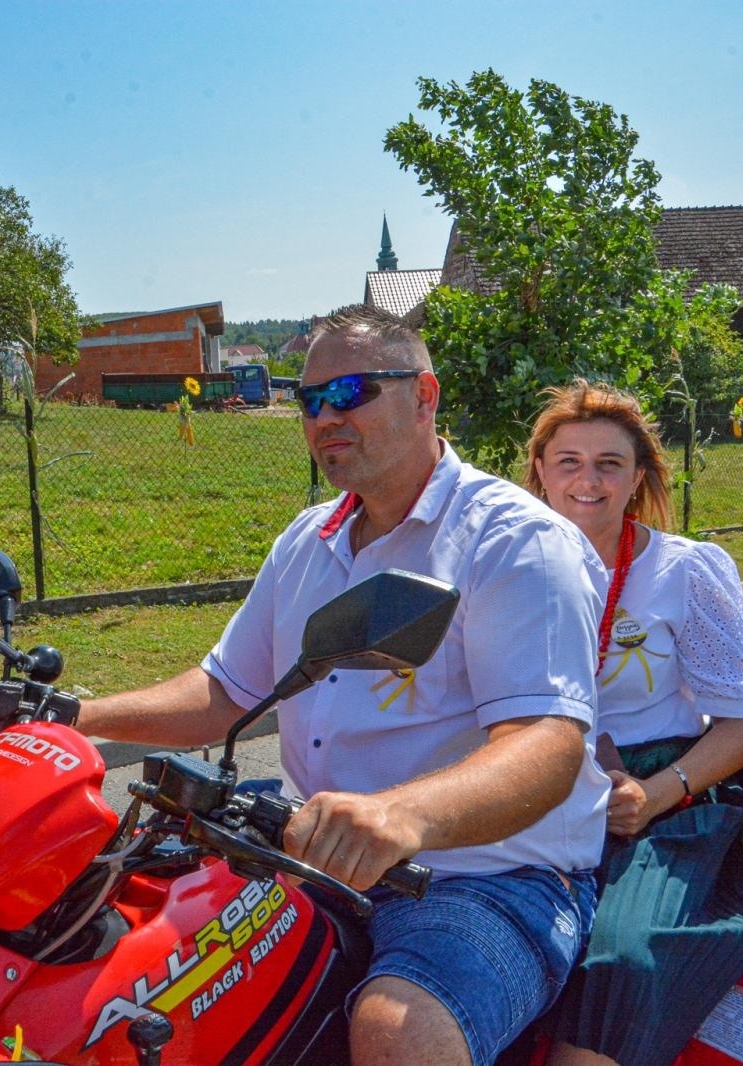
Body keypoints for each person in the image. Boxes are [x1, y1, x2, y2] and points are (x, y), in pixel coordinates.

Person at [79, 304, 610, 1066]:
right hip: (313, 855)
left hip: (485, 876)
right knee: (132, 958)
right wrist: (74, 720)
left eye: (352, 392)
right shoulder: (308, 540)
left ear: (424, 395)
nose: (326, 416)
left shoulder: (514, 541)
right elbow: (227, 692)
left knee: (399, 1029)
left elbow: (547, 744)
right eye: (309, 398)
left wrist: (402, 816)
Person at [523, 380, 743, 1066]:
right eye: (569, 460)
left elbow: (739, 728)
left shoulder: (682, 570)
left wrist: (657, 793)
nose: (588, 479)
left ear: (637, 478)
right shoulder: (508, 568)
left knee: (621, 955)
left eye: (610, 463)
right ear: (540, 471)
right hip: (534, 783)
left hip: (658, 796)